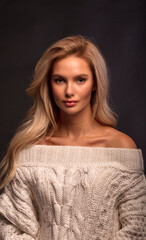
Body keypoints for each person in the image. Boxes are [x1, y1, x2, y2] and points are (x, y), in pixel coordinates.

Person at [0, 35, 145, 240]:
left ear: (95, 83)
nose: (69, 91)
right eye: (59, 80)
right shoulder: (31, 152)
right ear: (49, 85)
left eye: (80, 80)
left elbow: (137, 229)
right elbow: (12, 229)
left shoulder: (121, 147)